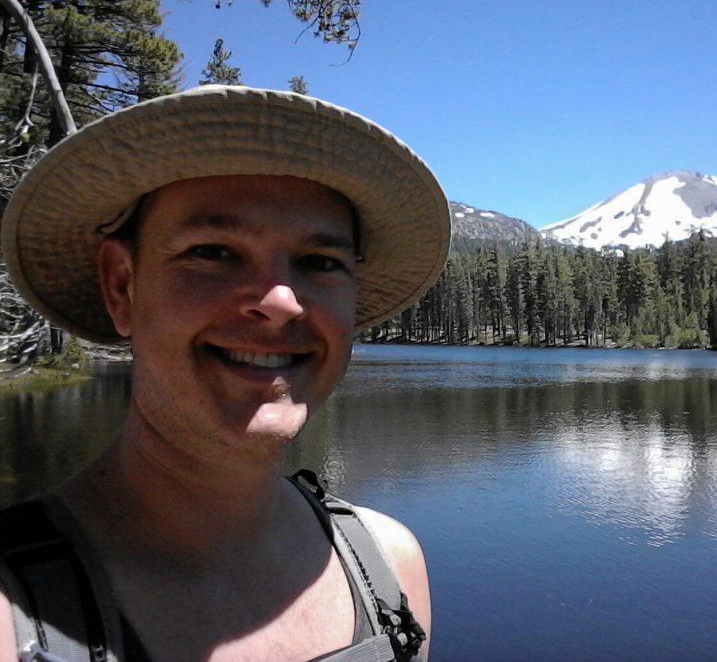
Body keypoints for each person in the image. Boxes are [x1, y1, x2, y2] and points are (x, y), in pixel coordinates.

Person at [0, 86, 451, 662]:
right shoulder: (15, 612)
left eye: (320, 263)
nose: (282, 302)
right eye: (213, 252)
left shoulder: (389, 567)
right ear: (122, 286)